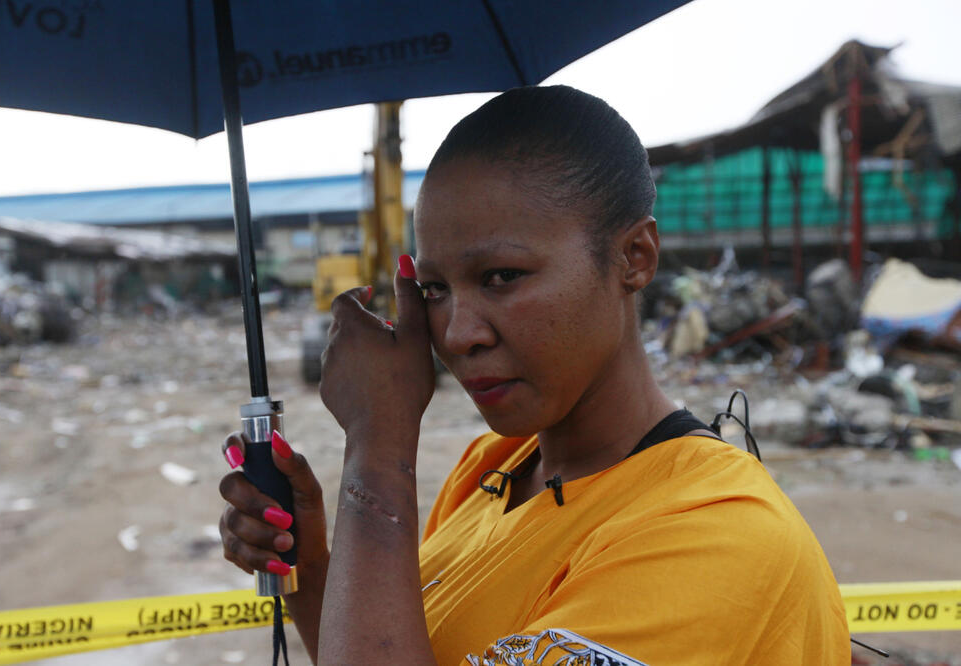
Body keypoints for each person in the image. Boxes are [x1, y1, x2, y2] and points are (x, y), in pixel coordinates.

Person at [217, 85, 850, 665]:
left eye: (501, 277)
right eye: (434, 288)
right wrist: (309, 562)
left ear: (635, 257)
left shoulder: (717, 536)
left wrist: (377, 450)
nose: (459, 333)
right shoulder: (490, 469)